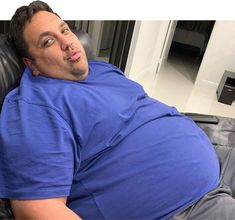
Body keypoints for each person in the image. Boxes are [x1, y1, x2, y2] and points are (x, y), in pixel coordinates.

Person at [0, 1, 234, 219]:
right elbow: (37, 208)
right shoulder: (34, 106)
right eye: (48, 41)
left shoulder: (101, 69)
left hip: (216, 157)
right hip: (187, 207)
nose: (68, 42)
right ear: (31, 64)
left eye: (64, 30)